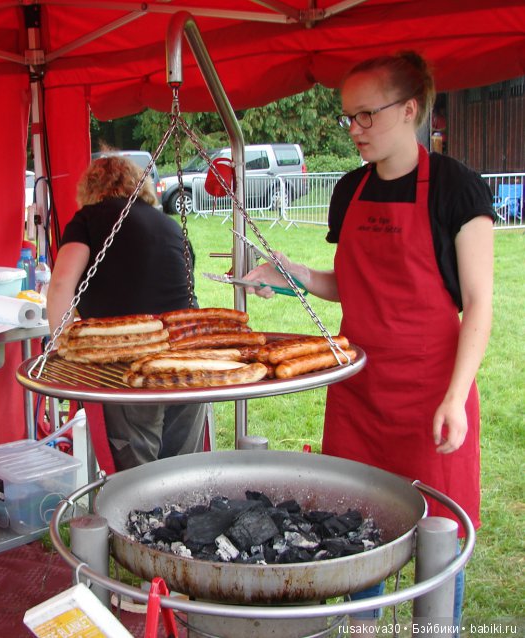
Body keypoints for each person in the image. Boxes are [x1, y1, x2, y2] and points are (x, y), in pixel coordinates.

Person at [244, 51, 493, 627]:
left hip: (432, 392)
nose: (354, 129)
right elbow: (348, 284)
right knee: (355, 525)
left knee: (438, 532)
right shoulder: (349, 189)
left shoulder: (458, 190)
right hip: (357, 390)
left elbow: (479, 304)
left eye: (365, 116)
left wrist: (456, 398)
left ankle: (437, 626)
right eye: (348, 118)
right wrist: (292, 274)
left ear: (409, 110)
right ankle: (361, 623)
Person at [46, 155, 207, 471]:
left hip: (126, 360)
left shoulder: (88, 219)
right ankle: (182, 518)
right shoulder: (171, 226)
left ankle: (140, 518)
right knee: (182, 471)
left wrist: (59, 346)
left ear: (90, 190)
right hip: (189, 359)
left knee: (137, 475)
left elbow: (62, 282)